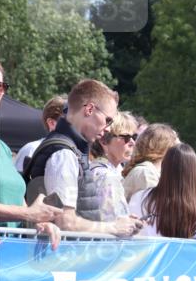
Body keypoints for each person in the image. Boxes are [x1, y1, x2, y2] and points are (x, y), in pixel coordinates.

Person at [21, 79, 141, 237]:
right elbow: (66, 222)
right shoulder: (64, 155)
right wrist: (114, 227)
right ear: (90, 109)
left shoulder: (69, 150)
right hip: (58, 256)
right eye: (108, 120)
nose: (109, 128)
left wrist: (115, 221)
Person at [0, 61, 61, 246]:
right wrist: (29, 213)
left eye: (2, 86)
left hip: (11, 257)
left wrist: (38, 222)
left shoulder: (3, 148)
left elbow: (14, 197)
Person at [129, 143, 196, 246]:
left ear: (164, 167)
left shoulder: (139, 197)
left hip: (146, 260)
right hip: (177, 261)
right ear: (193, 173)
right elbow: (192, 247)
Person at [88, 111, 137, 221]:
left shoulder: (100, 170)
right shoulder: (106, 176)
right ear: (104, 141)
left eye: (134, 137)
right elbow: (112, 224)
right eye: (126, 137)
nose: (132, 142)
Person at [122, 123, 179, 200]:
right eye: (174, 145)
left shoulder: (149, 171)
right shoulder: (146, 173)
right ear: (165, 147)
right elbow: (155, 208)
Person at [14, 94, 67, 173]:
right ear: (52, 123)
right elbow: (18, 184)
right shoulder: (31, 149)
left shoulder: (77, 153)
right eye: (68, 120)